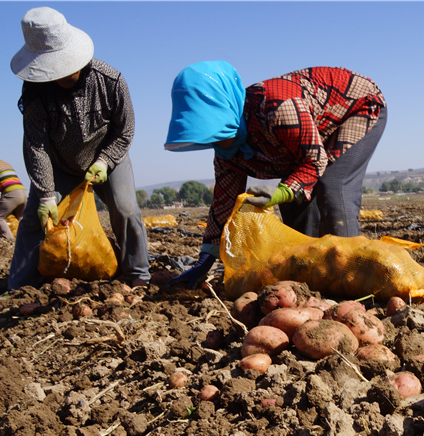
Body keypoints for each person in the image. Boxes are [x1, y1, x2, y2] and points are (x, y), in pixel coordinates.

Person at [164, 61, 387, 288]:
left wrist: (282, 191)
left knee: (333, 185)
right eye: (210, 137)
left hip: (356, 108)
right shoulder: (226, 153)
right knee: (294, 205)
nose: (218, 143)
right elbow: (223, 204)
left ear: (229, 110)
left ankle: (355, 278)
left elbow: (313, 160)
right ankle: (311, 276)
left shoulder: (278, 108)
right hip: (306, 133)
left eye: (218, 131)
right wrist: (204, 261)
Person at [7, 7, 150, 290]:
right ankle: (21, 285)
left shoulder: (110, 80)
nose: (59, 75)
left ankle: (137, 276)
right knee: (35, 219)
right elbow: (37, 146)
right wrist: (47, 194)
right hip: (61, 164)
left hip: (109, 157)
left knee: (126, 209)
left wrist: (105, 160)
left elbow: (125, 131)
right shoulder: (35, 93)